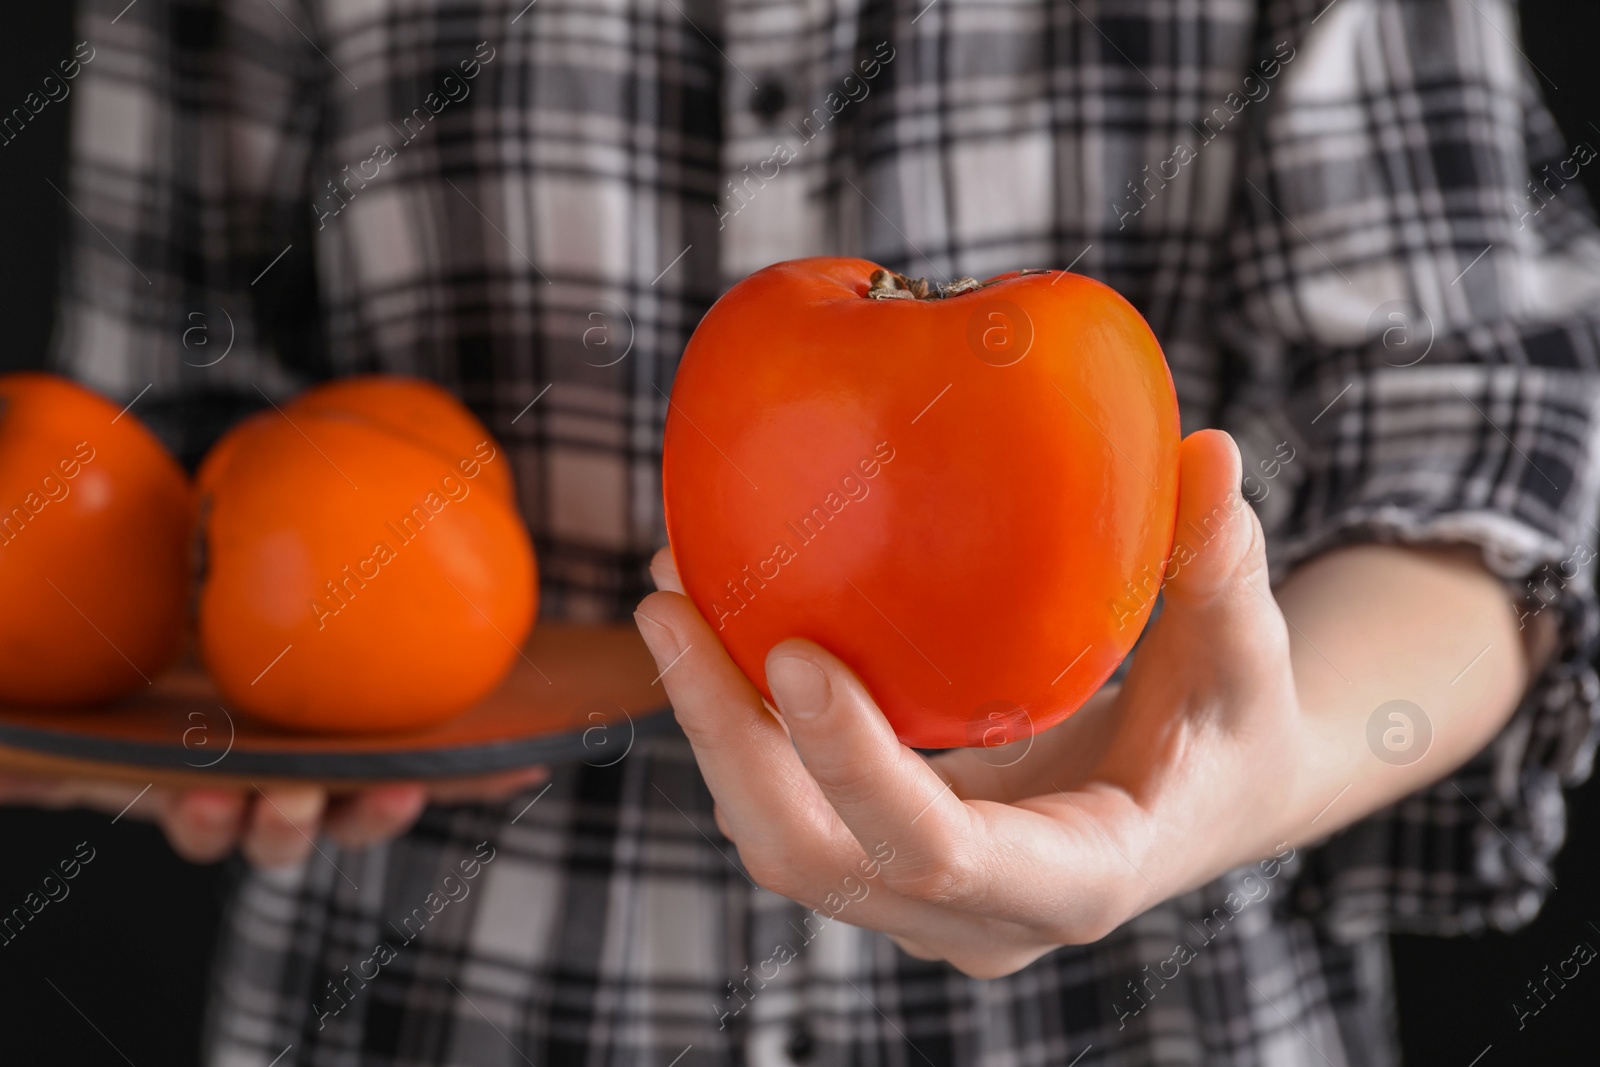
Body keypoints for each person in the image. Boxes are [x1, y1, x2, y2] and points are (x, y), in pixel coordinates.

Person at [14, 0, 1600, 1062]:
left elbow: (1483, 417)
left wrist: (1245, 772)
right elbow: (162, 413)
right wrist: (200, 695)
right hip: (430, 986)